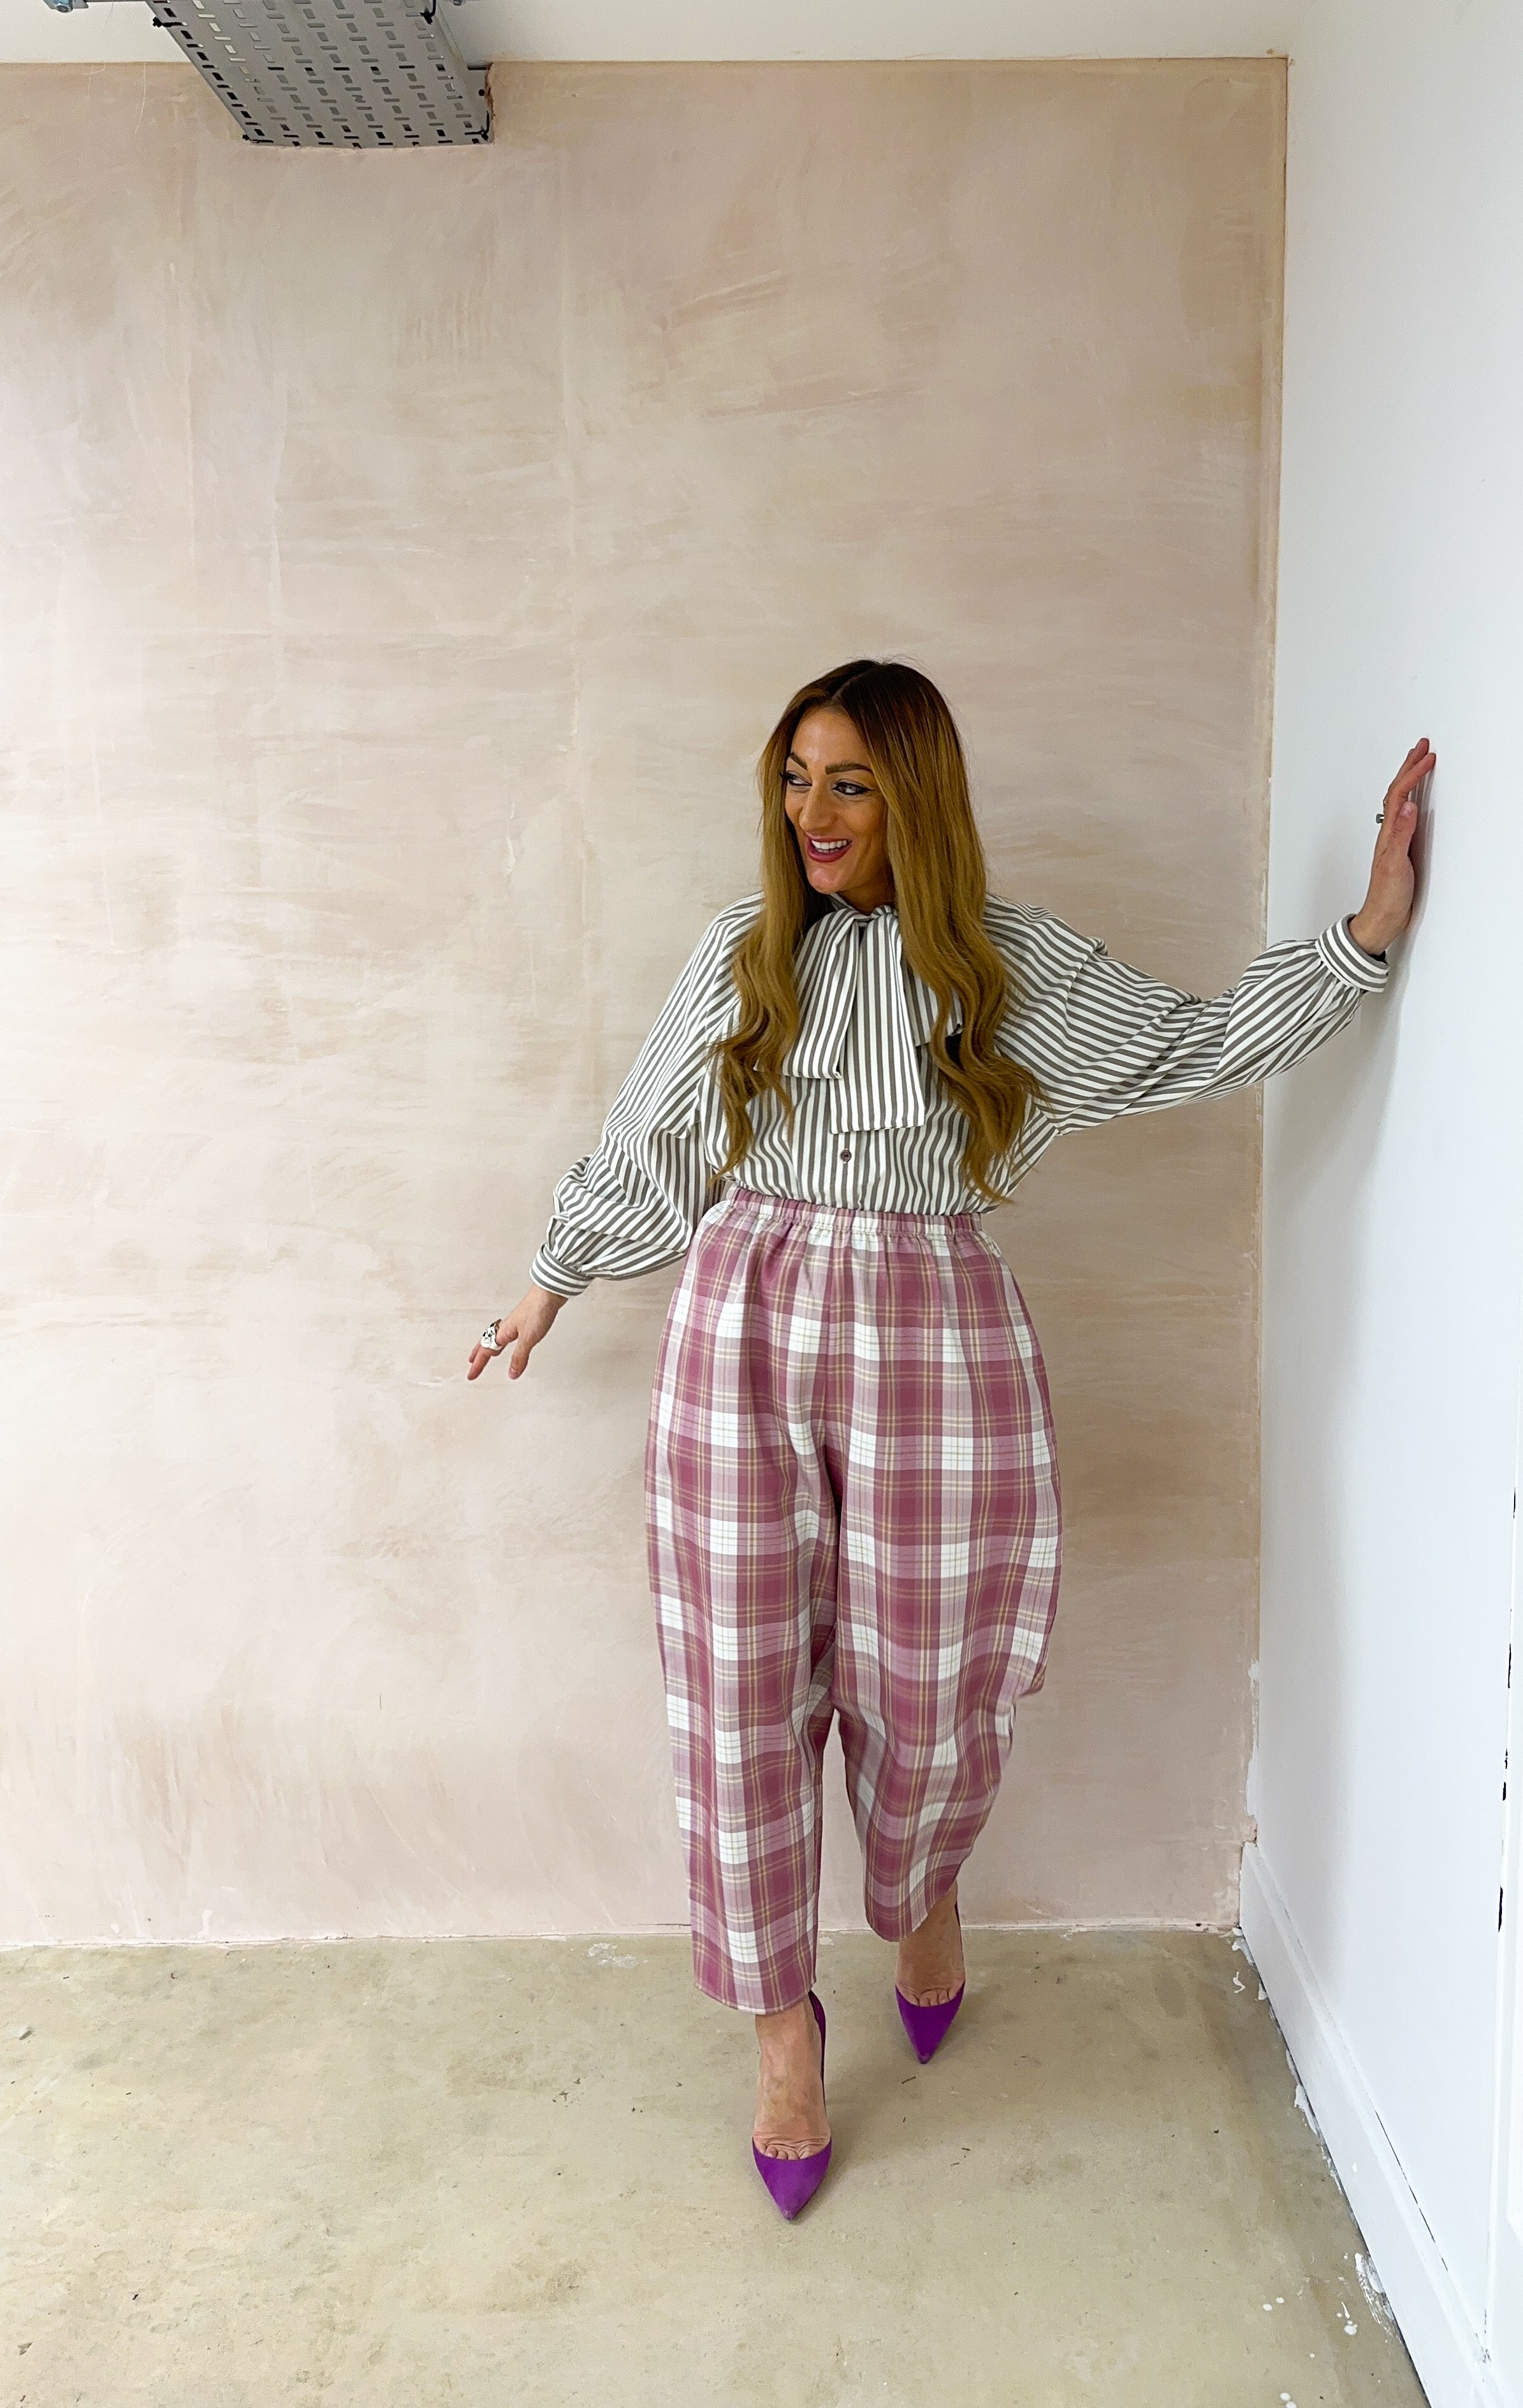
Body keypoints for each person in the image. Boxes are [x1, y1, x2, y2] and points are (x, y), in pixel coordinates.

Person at [469, 659, 1432, 2219]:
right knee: (738, 1690)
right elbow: (652, 1137)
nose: (814, 812)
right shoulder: (742, 954)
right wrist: (551, 1280)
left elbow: (1186, 1044)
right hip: (740, 1331)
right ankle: (782, 2031)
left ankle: (921, 1893)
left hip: (933, 1335)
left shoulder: (1004, 963)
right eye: (797, 778)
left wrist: (1363, 936)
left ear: (913, 794)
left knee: (931, 1681)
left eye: (850, 782)